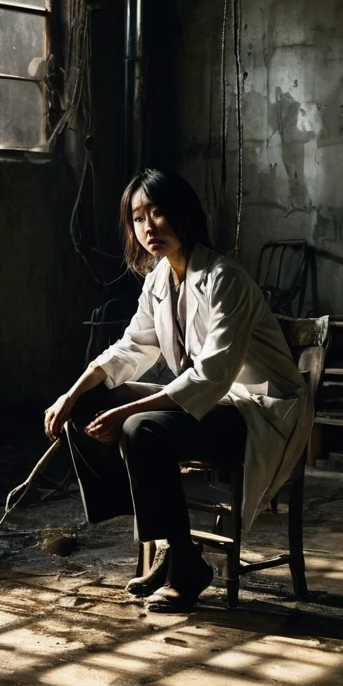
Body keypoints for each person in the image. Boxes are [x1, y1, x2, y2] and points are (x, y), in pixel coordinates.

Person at [44, 169, 312, 611]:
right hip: (213, 406)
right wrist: (70, 394)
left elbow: (211, 376)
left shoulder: (226, 279)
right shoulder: (157, 280)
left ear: (183, 213)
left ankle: (184, 562)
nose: (149, 227)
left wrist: (124, 415)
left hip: (259, 411)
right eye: (137, 218)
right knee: (89, 403)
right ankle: (172, 540)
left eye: (159, 212)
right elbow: (132, 347)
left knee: (141, 428)